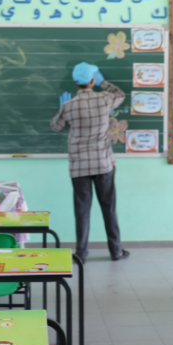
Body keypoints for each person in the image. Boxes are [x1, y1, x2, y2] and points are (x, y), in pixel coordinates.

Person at [50, 62, 130, 263]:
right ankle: (116, 251)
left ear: (75, 81)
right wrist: (104, 84)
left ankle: (82, 253)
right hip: (103, 164)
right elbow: (120, 94)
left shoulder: (69, 106)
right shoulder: (104, 99)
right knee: (109, 208)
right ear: (93, 80)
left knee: (82, 211)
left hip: (79, 167)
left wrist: (62, 108)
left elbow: (56, 127)